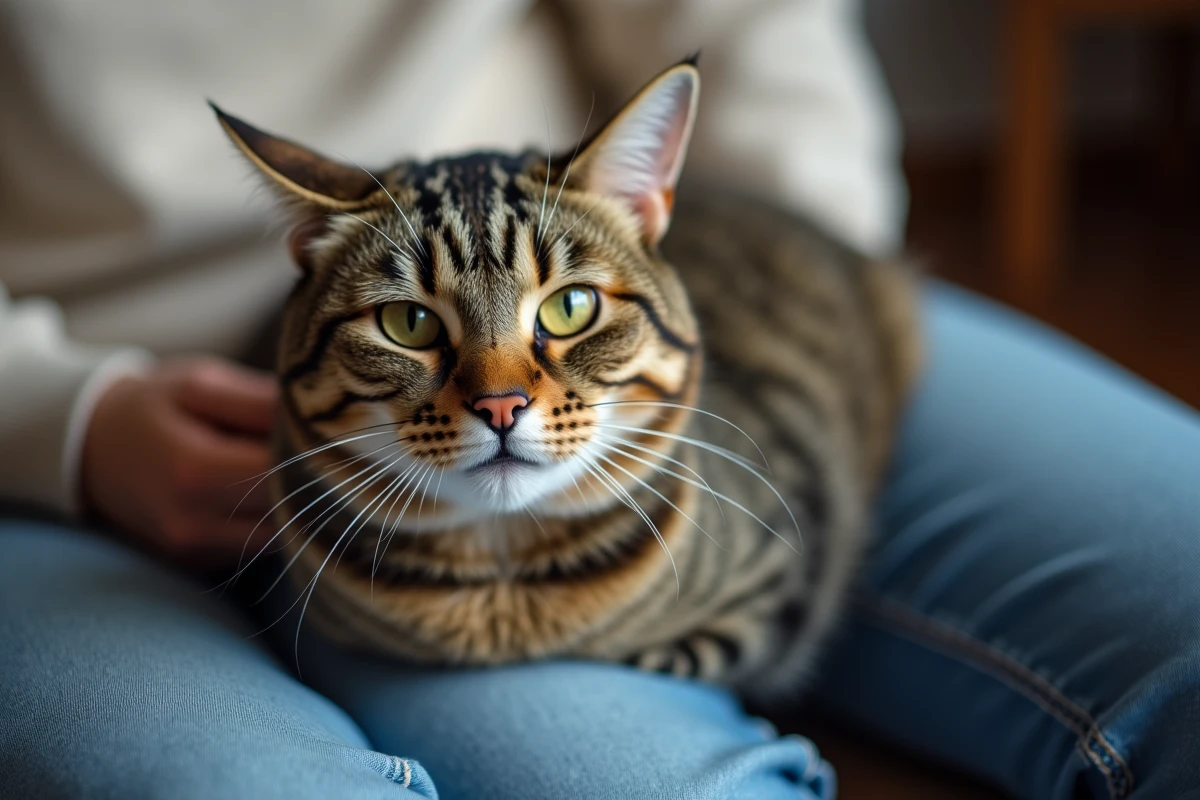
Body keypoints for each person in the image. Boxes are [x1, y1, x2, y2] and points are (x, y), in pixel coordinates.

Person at [2, 2, 1198, 799]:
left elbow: (743, 38)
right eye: (429, 334)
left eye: (535, 348)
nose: (501, 395)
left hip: (633, 287)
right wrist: (62, 417)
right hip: (77, 427)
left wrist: (777, 256)